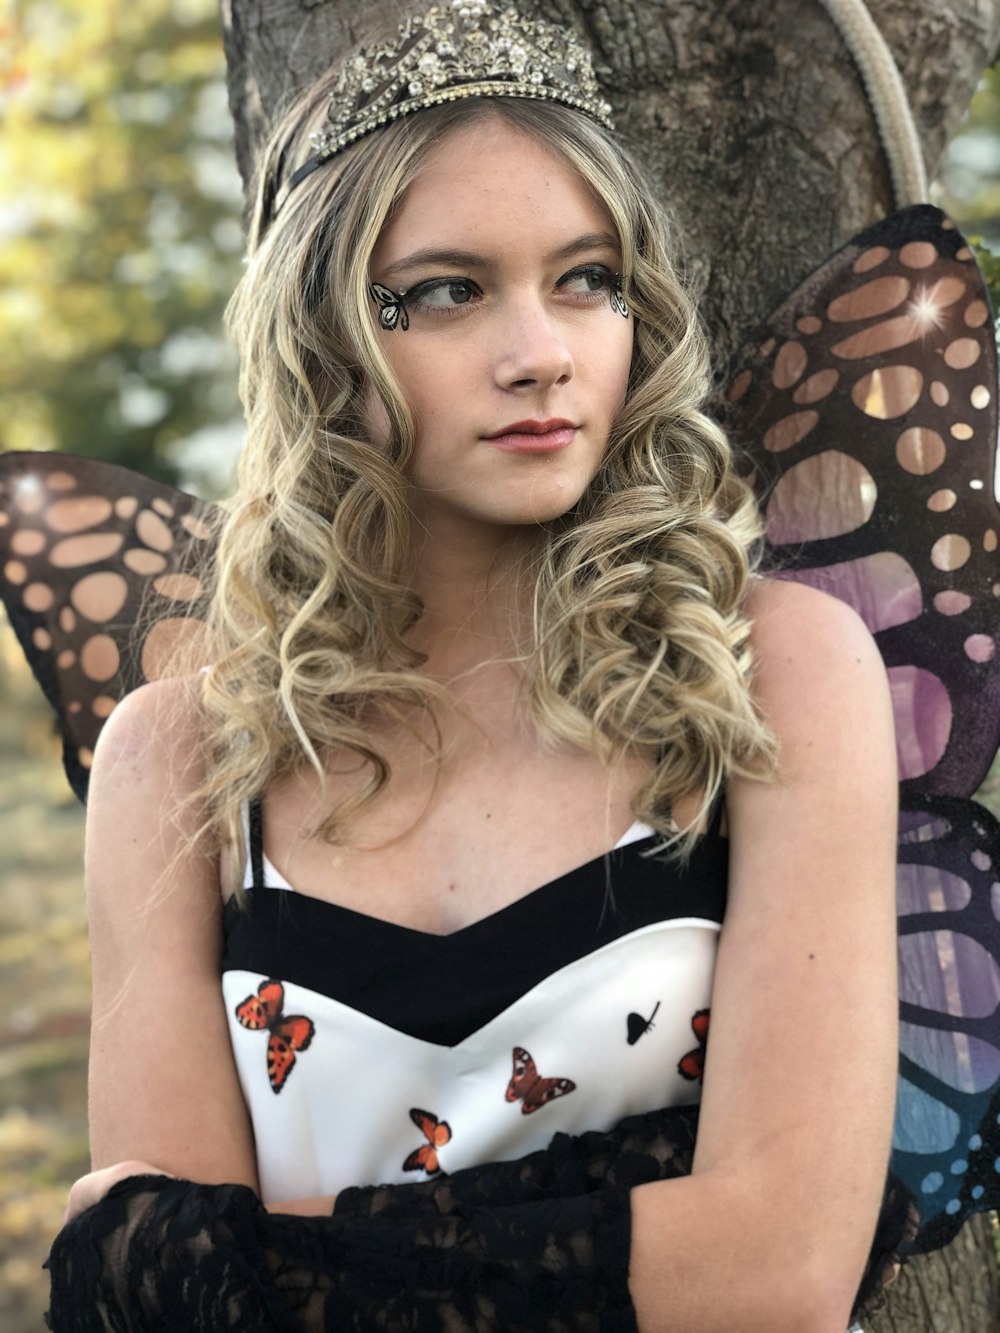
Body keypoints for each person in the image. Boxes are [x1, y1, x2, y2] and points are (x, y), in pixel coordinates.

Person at [44, 3, 900, 1329]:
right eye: (447, 291)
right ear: (323, 339)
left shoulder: (772, 673)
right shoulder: (182, 756)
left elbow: (778, 1275)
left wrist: (260, 1259)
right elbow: (170, 1298)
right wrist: (632, 1205)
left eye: (588, 280)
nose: (541, 351)